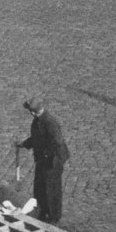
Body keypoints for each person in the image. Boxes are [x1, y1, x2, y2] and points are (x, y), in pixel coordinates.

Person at [16, 96, 70, 224]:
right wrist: (24, 144)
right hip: (43, 160)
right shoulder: (37, 120)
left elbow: (56, 142)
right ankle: (42, 211)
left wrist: (45, 154)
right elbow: (36, 138)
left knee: (52, 189)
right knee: (39, 187)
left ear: (33, 111)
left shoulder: (50, 122)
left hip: (53, 161)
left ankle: (54, 217)